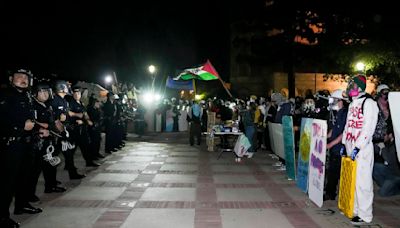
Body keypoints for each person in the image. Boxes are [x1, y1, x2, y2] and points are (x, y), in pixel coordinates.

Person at [0, 68, 42, 228]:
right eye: (19, 76)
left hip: (27, 143)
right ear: (11, 78)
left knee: (24, 178)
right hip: (11, 144)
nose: (23, 79)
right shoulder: (5, 96)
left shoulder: (27, 96)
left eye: (25, 77)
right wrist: (19, 127)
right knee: (7, 183)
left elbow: (31, 120)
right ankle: (2, 217)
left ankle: (21, 205)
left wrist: (38, 130)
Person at [341, 74, 379, 225]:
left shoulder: (369, 103)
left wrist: (358, 147)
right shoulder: (353, 104)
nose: (351, 88)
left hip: (362, 150)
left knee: (363, 183)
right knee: (353, 181)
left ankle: (365, 214)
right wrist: (345, 144)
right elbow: (348, 125)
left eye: (353, 85)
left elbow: (368, 128)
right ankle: (354, 209)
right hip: (351, 146)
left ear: (360, 87)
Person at [29, 83, 65, 200]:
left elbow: (55, 121)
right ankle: (29, 195)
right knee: (34, 170)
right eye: (41, 92)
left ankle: (50, 186)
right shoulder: (33, 106)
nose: (45, 94)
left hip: (50, 141)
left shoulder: (47, 105)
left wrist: (60, 130)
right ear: (35, 93)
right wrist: (44, 126)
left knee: (50, 165)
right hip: (38, 142)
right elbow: (31, 122)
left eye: (46, 92)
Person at [50, 80, 86, 179]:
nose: (68, 88)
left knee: (69, 154)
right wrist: (59, 118)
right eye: (67, 86)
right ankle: (51, 183)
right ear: (61, 88)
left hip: (64, 132)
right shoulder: (54, 100)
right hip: (56, 134)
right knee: (53, 157)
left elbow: (67, 115)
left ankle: (72, 174)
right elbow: (51, 117)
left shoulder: (64, 100)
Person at [324, 89, 348, 201]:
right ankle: (330, 192)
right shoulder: (336, 113)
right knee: (332, 171)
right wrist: (323, 138)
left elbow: (344, 133)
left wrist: (330, 144)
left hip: (340, 148)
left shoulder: (345, 113)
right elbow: (333, 130)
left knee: (336, 172)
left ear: (340, 100)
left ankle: (332, 193)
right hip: (334, 148)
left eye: (334, 100)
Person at [68, 85, 99, 167]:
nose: (76, 94)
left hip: (82, 129)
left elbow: (85, 114)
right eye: (75, 93)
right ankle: (68, 165)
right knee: (71, 149)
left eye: (78, 93)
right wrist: (77, 118)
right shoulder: (71, 103)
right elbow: (68, 115)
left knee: (85, 147)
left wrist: (88, 120)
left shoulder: (81, 103)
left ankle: (89, 162)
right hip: (75, 130)